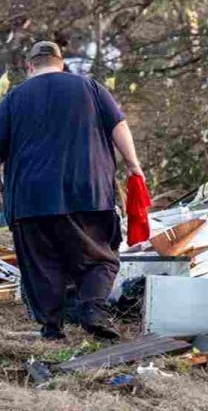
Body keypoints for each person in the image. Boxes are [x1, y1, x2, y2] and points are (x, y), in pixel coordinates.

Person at [0, 41, 144, 340]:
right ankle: (93, 309)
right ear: (62, 63)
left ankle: (52, 329)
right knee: (99, 257)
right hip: (87, 191)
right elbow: (119, 126)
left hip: (30, 199)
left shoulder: (13, 98)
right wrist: (133, 166)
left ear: (30, 66)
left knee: (42, 265)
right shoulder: (90, 88)